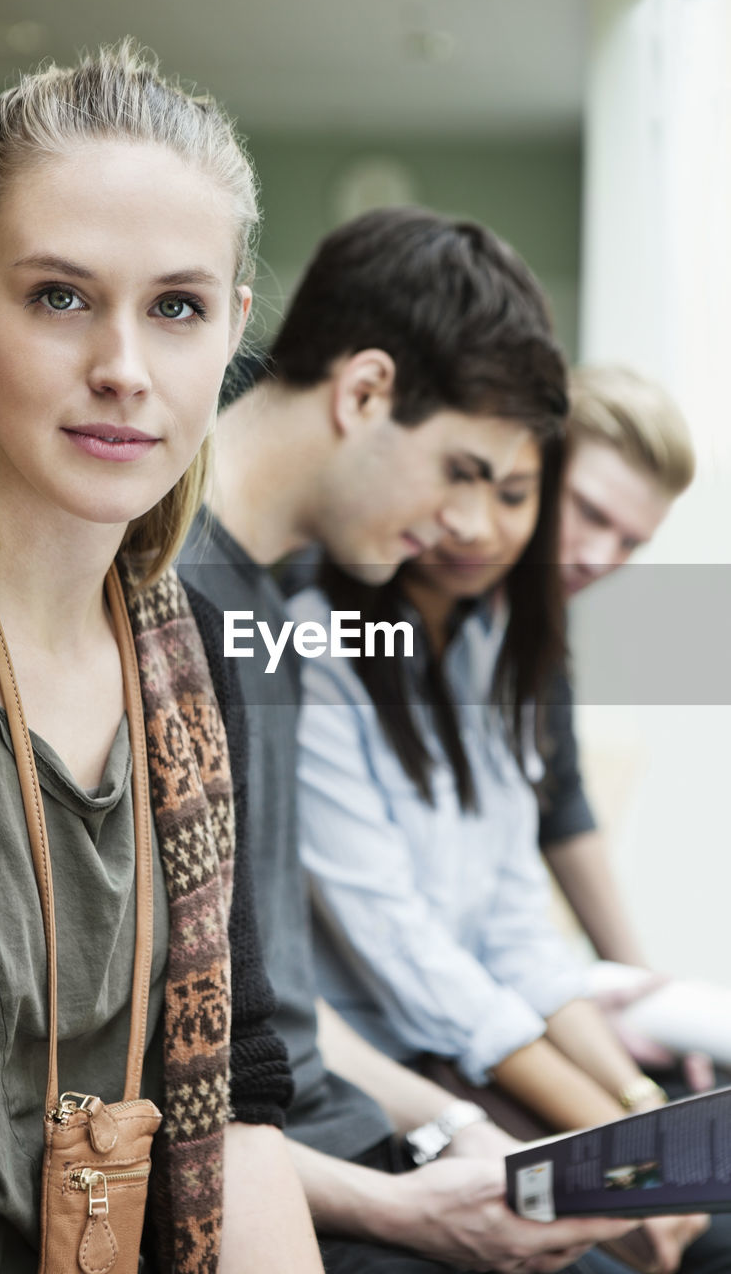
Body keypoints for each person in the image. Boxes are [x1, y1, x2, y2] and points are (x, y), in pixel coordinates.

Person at [0, 42, 324, 1273]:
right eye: (61, 295)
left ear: (231, 330)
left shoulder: (189, 660)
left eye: (176, 306)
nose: (124, 367)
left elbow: (238, 1086)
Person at [179, 206, 642, 1273]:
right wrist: (412, 1200)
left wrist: (453, 1132)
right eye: (460, 470)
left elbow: (282, 1006)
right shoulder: (180, 594)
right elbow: (153, 1063)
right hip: (275, 1185)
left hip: (346, 1127)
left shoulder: (273, 602)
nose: (463, 525)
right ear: (364, 393)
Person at [535, 365, 730, 1084]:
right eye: (588, 512)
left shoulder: (539, 641)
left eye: (628, 543)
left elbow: (561, 806)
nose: (597, 558)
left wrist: (642, 989)